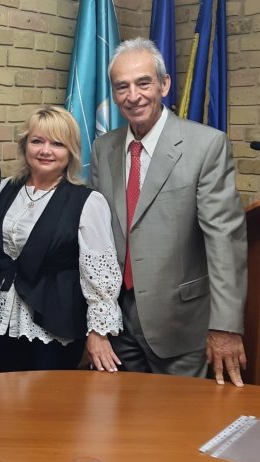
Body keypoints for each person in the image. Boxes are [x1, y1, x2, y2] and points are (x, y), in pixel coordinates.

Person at [89, 37, 247, 386]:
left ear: (164, 84)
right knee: (120, 415)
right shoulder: (103, 149)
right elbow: (96, 240)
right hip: (117, 323)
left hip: (181, 326)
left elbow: (224, 240)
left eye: (143, 83)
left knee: (183, 417)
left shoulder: (206, 145)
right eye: (122, 87)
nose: (133, 96)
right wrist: (96, 320)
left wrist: (225, 326)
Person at [0, 105, 123, 372]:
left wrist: (98, 332)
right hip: (4, 317)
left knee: (49, 397)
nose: (45, 150)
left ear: (71, 151)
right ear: (25, 145)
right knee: (4, 392)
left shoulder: (87, 202)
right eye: (37, 141)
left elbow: (101, 275)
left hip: (56, 323)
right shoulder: (5, 188)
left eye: (57, 144)